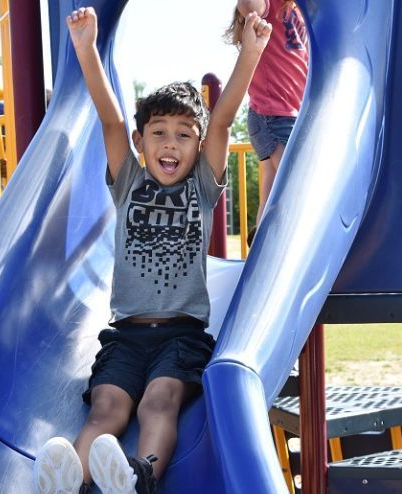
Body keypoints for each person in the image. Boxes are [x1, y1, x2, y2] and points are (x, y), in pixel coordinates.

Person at [33, 7, 271, 494]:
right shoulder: (128, 183)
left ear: (198, 146)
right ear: (142, 142)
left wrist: (250, 52)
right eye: (159, 132)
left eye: (185, 135)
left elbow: (223, 121)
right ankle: (71, 479)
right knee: (107, 408)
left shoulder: (202, 186)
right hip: (124, 335)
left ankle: (140, 476)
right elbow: (110, 118)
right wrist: (85, 51)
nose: (170, 143)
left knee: (159, 401)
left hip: (182, 337)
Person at [225, 0, 308, 238]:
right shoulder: (270, 5)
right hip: (273, 115)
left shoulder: (298, 11)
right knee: (293, 186)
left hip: (290, 115)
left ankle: (261, 241)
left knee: (271, 192)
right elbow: (249, 5)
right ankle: (276, 244)